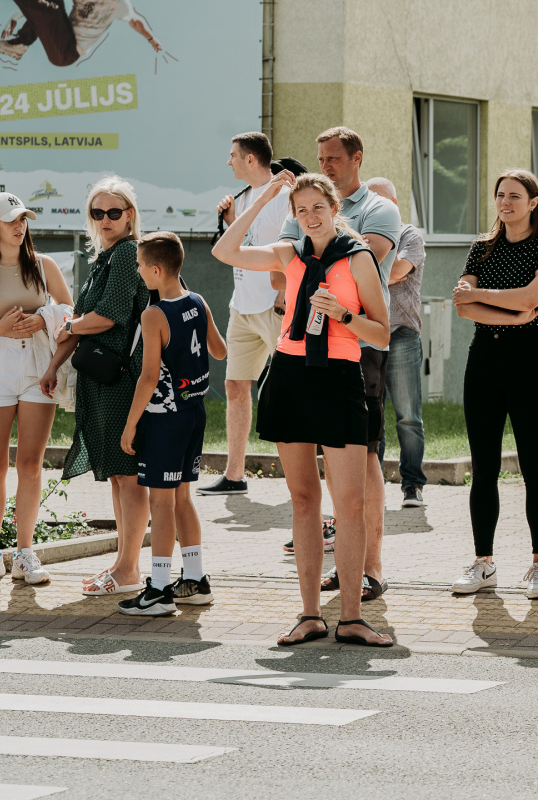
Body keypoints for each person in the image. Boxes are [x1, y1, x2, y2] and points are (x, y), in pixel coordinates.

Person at [212, 170, 393, 647]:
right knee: (303, 500)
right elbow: (225, 251)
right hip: (290, 376)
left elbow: (382, 333)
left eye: (318, 207)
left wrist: (344, 315)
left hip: (338, 378)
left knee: (350, 503)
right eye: (301, 209)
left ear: (335, 209)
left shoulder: (358, 257)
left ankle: (351, 617)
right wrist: (263, 198)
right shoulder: (288, 252)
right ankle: (310, 615)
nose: (310, 216)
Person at [280, 128, 399, 604]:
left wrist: (342, 311)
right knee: (315, 485)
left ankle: (370, 567)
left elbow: (350, 259)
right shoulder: (306, 208)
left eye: (333, 158)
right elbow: (288, 266)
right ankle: (341, 571)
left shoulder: (379, 208)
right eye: (320, 157)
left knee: (363, 458)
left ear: (356, 159)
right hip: (303, 349)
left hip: (358, 344)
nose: (325, 165)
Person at [448, 170, 538, 600]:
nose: (505, 202)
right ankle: (484, 563)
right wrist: (513, 313)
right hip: (485, 361)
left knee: (535, 467)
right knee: (484, 469)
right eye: (500, 195)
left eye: (515, 195)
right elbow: (463, 307)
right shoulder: (482, 246)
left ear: (533, 202)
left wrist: (487, 298)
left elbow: (532, 298)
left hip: (531, 361)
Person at [42, 176, 151, 597]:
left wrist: (70, 327)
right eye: (97, 212)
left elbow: (109, 315)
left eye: (114, 212)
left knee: (128, 475)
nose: (105, 219)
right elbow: (84, 320)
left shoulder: (126, 253)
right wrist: (55, 365)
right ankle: (123, 565)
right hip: (103, 380)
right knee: (119, 477)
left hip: (121, 379)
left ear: (129, 215)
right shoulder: (105, 257)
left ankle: (129, 569)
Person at [118, 232, 226, 616]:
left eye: (140, 265)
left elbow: (148, 377)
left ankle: (160, 590)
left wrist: (130, 425)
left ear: (157, 270)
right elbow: (219, 350)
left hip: (164, 418)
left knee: (160, 503)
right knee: (182, 498)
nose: (138, 271)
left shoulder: (154, 314)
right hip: (194, 412)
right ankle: (195, 581)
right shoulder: (198, 301)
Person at [0, 193, 73, 586]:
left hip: (37, 365)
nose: (20, 226)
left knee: (30, 464)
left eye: (24, 219)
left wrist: (44, 319)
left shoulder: (45, 266)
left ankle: (25, 555)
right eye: (12, 220)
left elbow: (72, 316)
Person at [198, 132, 290, 498]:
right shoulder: (244, 196)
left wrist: (284, 295)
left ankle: (300, 482)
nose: (228, 162)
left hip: (274, 307)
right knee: (236, 387)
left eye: (233, 155)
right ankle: (234, 475)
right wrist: (231, 218)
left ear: (251, 158)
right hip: (242, 306)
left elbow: (293, 248)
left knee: (288, 391)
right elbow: (246, 242)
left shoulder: (283, 195)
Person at [367, 177, 428, 507]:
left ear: (393, 204)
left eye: (379, 203)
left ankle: (412, 485)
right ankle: (371, 485)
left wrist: (365, 270)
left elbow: (396, 271)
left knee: (408, 416)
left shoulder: (410, 235)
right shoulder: (362, 234)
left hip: (402, 333)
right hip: (368, 335)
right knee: (372, 414)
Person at [0, 0, 163, 65]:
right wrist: (15, 16)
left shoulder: (119, 4)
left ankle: (22, 42)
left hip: (68, 53)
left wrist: (151, 38)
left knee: (52, 13)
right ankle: (22, 43)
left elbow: (135, 21)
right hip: (63, 34)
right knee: (54, 5)